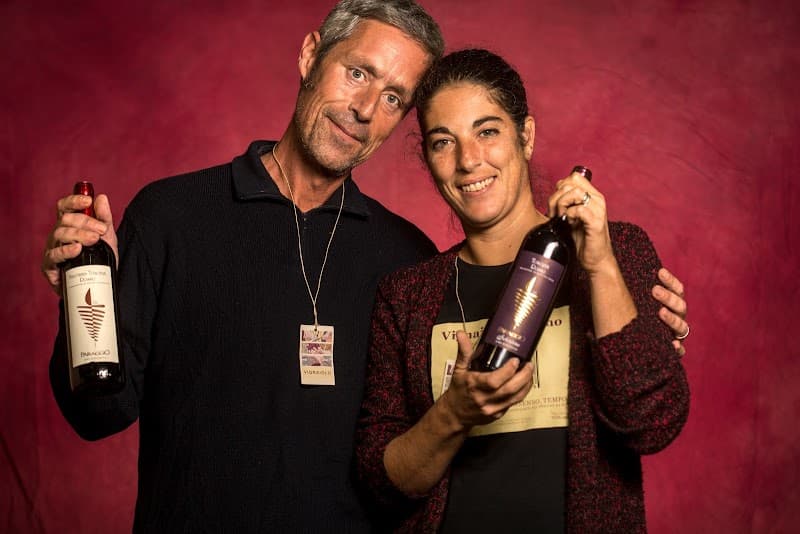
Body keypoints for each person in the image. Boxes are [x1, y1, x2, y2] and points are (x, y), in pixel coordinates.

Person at [40, 3, 689, 532]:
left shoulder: (401, 256)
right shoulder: (171, 217)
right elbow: (98, 414)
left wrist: (620, 298)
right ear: (309, 55)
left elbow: (642, 411)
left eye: (393, 98)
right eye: (358, 73)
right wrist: (80, 297)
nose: (364, 108)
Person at [354, 49, 690, 533]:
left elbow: (651, 420)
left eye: (487, 131)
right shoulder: (406, 295)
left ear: (525, 136)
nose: (469, 161)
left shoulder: (618, 250)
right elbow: (380, 484)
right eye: (443, 142)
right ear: (427, 159)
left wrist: (598, 265)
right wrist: (454, 413)